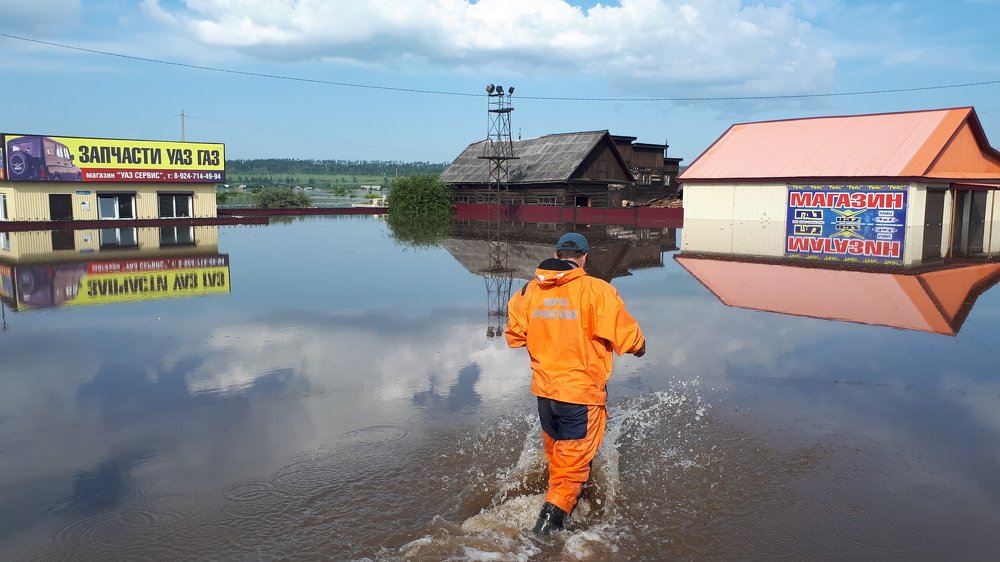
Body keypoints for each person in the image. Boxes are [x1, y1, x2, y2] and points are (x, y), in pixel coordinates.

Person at [505, 232, 646, 535]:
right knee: (570, 476)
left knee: (558, 461)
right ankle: (541, 541)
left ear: (557, 256)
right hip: (580, 397)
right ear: (583, 258)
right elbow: (631, 340)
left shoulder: (527, 292)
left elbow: (514, 337)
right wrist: (640, 346)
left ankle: (559, 502)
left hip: (545, 394)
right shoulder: (598, 290)